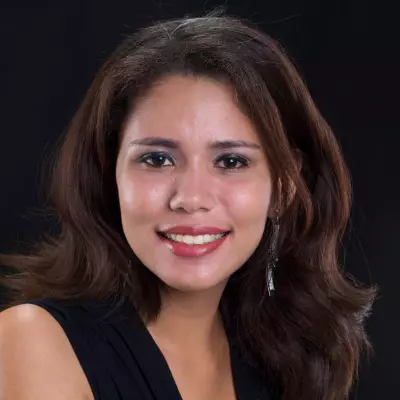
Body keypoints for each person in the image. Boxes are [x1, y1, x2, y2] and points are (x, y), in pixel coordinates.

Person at [0, 11, 377, 400]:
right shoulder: (33, 343)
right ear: (110, 174)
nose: (191, 198)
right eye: (157, 159)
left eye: (231, 162)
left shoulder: (286, 359)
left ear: (284, 187)